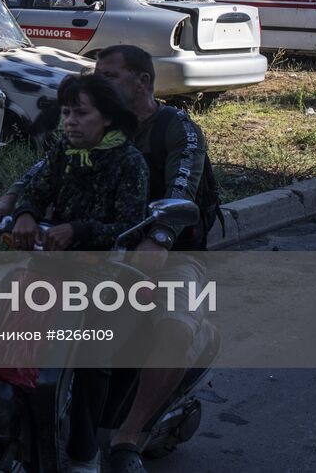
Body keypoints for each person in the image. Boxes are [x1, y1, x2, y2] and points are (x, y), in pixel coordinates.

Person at [1, 73, 150, 473]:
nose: (70, 121)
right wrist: (26, 214)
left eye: (81, 113)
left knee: (90, 355)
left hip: (104, 275)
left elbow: (130, 226)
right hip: (50, 266)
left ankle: (85, 452)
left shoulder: (129, 162)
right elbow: (36, 190)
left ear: (108, 119)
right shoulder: (61, 151)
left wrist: (79, 230)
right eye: (66, 112)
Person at [93, 44, 218, 473]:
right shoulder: (102, 126)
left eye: (108, 76)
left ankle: (128, 437)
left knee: (174, 327)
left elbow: (183, 186)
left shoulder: (176, 127)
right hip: (107, 249)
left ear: (142, 81)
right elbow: (56, 171)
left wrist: (160, 237)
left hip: (171, 256)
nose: (97, 84)